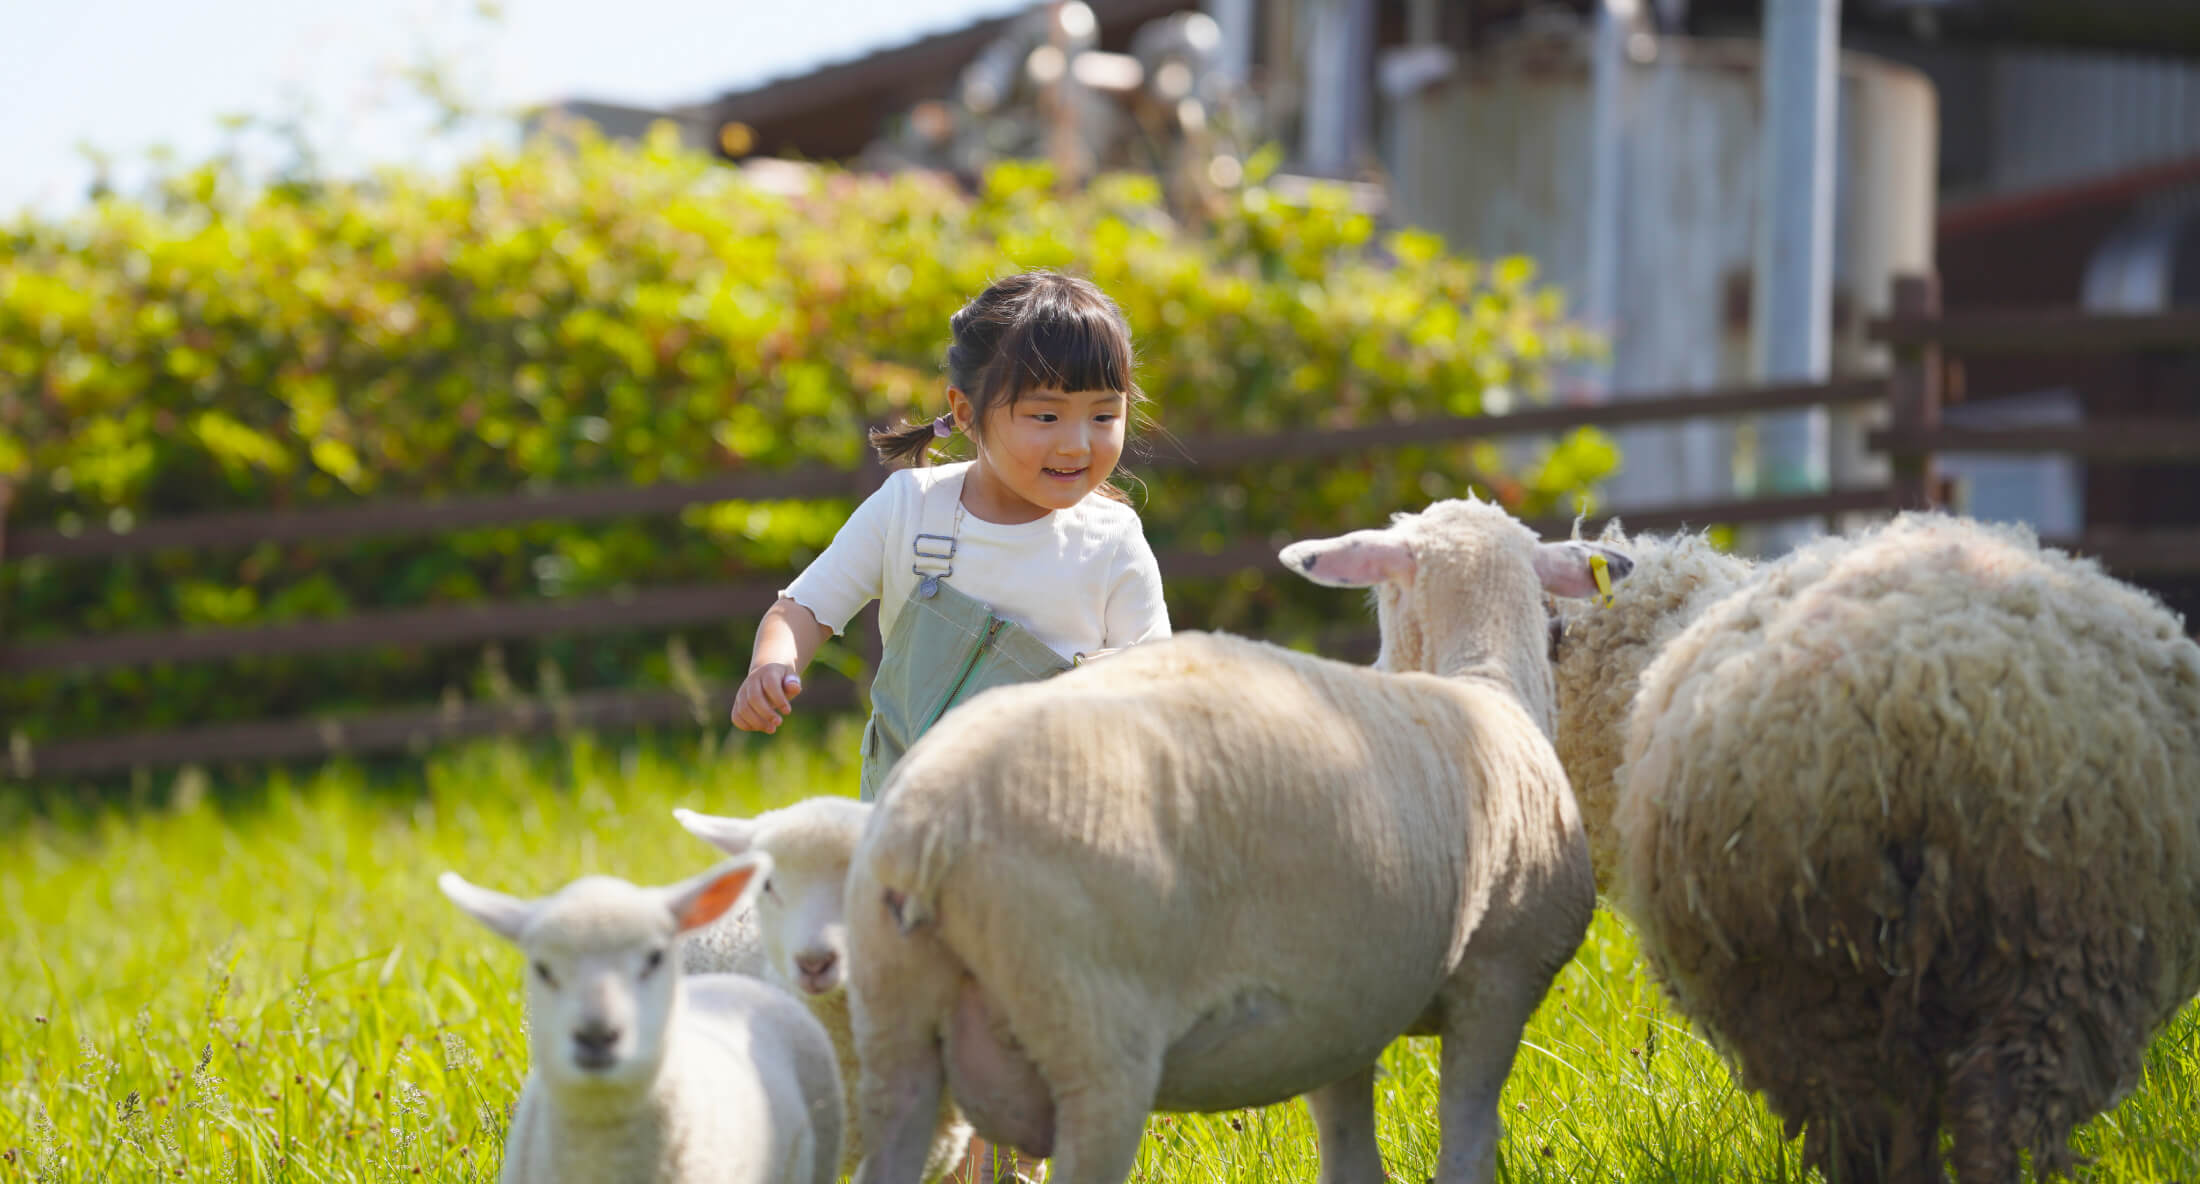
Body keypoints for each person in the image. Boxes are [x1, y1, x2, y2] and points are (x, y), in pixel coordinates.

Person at [731, 269, 1172, 803]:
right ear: (967, 413)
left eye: (1104, 415)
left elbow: (1159, 683)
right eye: (1046, 415)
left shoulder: (1112, 539)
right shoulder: (910, 510)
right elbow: (804, 607)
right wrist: (772, 665)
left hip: (1056, 828)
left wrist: (1119, 679)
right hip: (909, 817)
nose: (1077, 444)